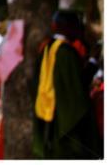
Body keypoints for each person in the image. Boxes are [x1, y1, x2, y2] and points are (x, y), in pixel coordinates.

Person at [33, 10, 101, 159]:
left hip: (49, 110)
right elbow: (77, 86)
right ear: (68, 27)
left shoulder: (47, 47)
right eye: (77, 26)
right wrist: (92, 63)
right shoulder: (65, 52)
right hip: (65, 117)